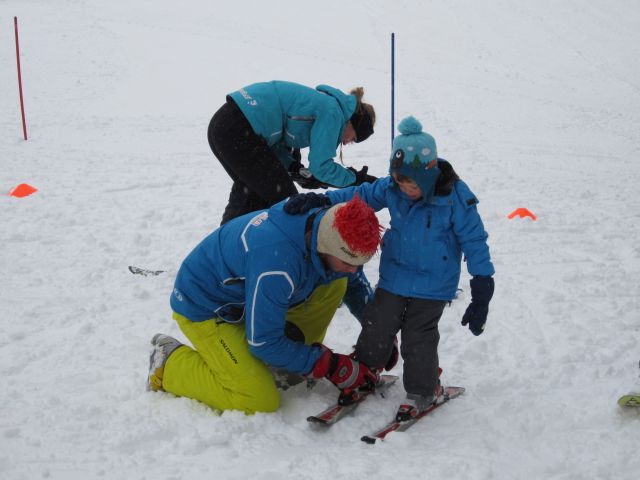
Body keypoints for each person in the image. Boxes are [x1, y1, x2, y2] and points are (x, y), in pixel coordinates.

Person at [284, 116, 495, 421]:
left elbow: (475, 240)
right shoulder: (392, 187)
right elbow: (359, 195)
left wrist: (482, 285)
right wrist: (322, 199)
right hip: (395, 275)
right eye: (400, 182)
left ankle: (424, 389)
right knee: (376, 322)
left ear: (428, 175)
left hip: (434, 284)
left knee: (417, 335)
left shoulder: (456, 198)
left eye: (411, 184)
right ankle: (366, 371)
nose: (405, 189)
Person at [146, 196, 383, 414]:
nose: (355, 269)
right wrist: (329, 365)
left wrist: (377, 332)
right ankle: (169, 363)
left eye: (360, 262)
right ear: (328, 246)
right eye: (348, 261)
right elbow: (263, 342)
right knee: (257, 400)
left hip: (249, 298)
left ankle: (289, 361)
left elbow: (353, 279)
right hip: (206, 306)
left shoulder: (326, 226)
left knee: (337, 283)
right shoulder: (277, 264)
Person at [208, 80, 378, 225]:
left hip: (224, 124)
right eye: (354, 138)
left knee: (253, 193)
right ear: (352, 123)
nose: (348, 142)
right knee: (289, 204)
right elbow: (322, 167)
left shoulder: (324, 103)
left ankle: (222, 250)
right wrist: (356, 179)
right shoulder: (333, 112)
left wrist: (294, 167)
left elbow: (273, 147)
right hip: (239, 130)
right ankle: (232, 250)